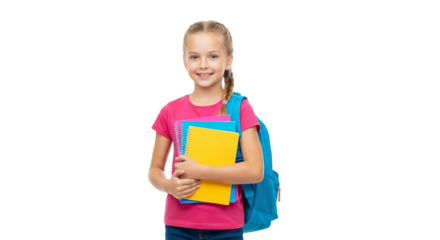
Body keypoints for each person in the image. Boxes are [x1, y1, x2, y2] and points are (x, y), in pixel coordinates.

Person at [147, 19, 263, 240]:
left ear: (230, 60)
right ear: (183, 61)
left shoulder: (241, 108)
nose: (203, 64)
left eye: (213, 56)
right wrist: (168, 185)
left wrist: (200, 171)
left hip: (227, 227)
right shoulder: (169, 110)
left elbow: (254, 171)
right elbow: (153, 171)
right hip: (177, 225)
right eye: (194, 57)